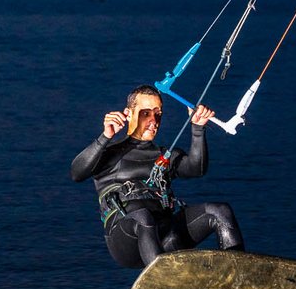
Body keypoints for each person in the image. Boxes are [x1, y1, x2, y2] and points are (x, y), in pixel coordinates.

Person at [71, 84, 244, 268]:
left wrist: (198, 129)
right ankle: (163, 282)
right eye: (146, 113)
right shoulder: (109, 154)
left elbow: (196, 168)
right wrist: (105, 137)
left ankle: (237, 276)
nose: (154, 120)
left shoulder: (164, 155)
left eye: (158, 113)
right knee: (143, 217)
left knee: (220, 211)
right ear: (128, 114)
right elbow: (76, 173)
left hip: (166, 237)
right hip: (126, 240)